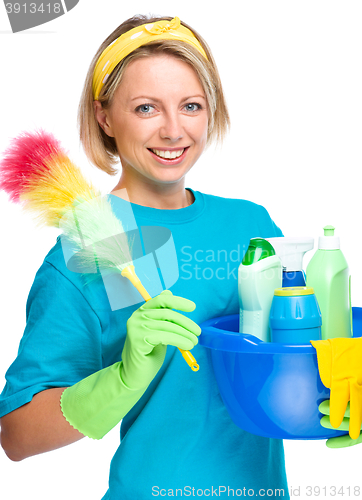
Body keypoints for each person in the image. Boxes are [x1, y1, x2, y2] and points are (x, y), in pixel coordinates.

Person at [0, 15, 289, 499]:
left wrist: (336, 394)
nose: (173, 130)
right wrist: (122, 377)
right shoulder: (84, 252)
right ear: (105, 117)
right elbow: (16, 434)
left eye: (191, 106)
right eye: (146, 108)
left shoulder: (251, 228)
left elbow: (293, 355)